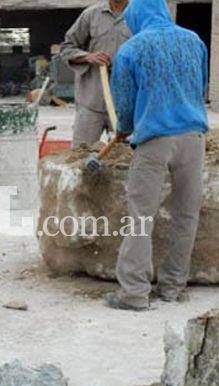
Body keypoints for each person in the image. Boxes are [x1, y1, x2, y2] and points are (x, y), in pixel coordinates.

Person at [104, 0, 208, 310]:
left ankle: (134, 293)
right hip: (194, 137)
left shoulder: (132, 49)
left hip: (154, 140)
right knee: (186, 216)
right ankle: (173, 288)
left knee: (140, 217)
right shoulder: (193, 40)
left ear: (136, 17)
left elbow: (124, 102)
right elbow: (199, 87)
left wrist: (124, 127)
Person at [60, 0, 131, 147]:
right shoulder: (90, 15)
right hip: (91, 103)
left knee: (126, 159)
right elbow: (66, 48)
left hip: (126, 106)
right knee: (80, 156)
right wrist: (87, 56)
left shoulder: (139, 15)